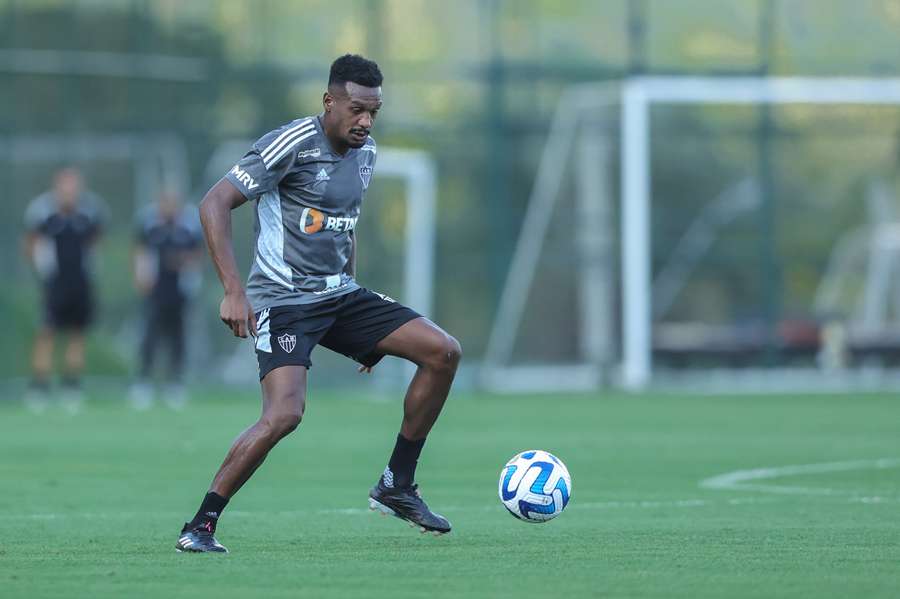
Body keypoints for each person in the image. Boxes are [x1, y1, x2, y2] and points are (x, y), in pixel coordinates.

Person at [176, 55, 461, 554]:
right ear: (329, 102)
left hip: (339, 295)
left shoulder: (366, 152)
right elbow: (213, 203)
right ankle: (200, 524)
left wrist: (363, 335)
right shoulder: (289, 144)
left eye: (374, 111)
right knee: (284, 414)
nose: (366, 121)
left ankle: (397, 483)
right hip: (282, 301)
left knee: (443, 352)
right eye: (356, 109)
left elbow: (341, 226)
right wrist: (234, 290)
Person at [23, 167, 105, 413]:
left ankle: (72, 386)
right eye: (65, 185)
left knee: (77, 334)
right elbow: (30, 243)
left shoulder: (90, 211)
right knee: (46, 332)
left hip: (80, 282)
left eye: (74, 185)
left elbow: (96, 242)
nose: (70, 191)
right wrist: (41, 271)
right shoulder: (43, 212)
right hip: (54, 283)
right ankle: (39, 386)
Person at [130, 191, 203, 410]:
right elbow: (140, 252)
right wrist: (141, 277)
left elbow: (197, 255)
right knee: (150, 337)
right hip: (155, 290)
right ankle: (143, 383)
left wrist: (184, 265)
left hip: (179, 291)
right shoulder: (149, 225)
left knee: (178, 337)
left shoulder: (188, 227)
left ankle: (175, 383)